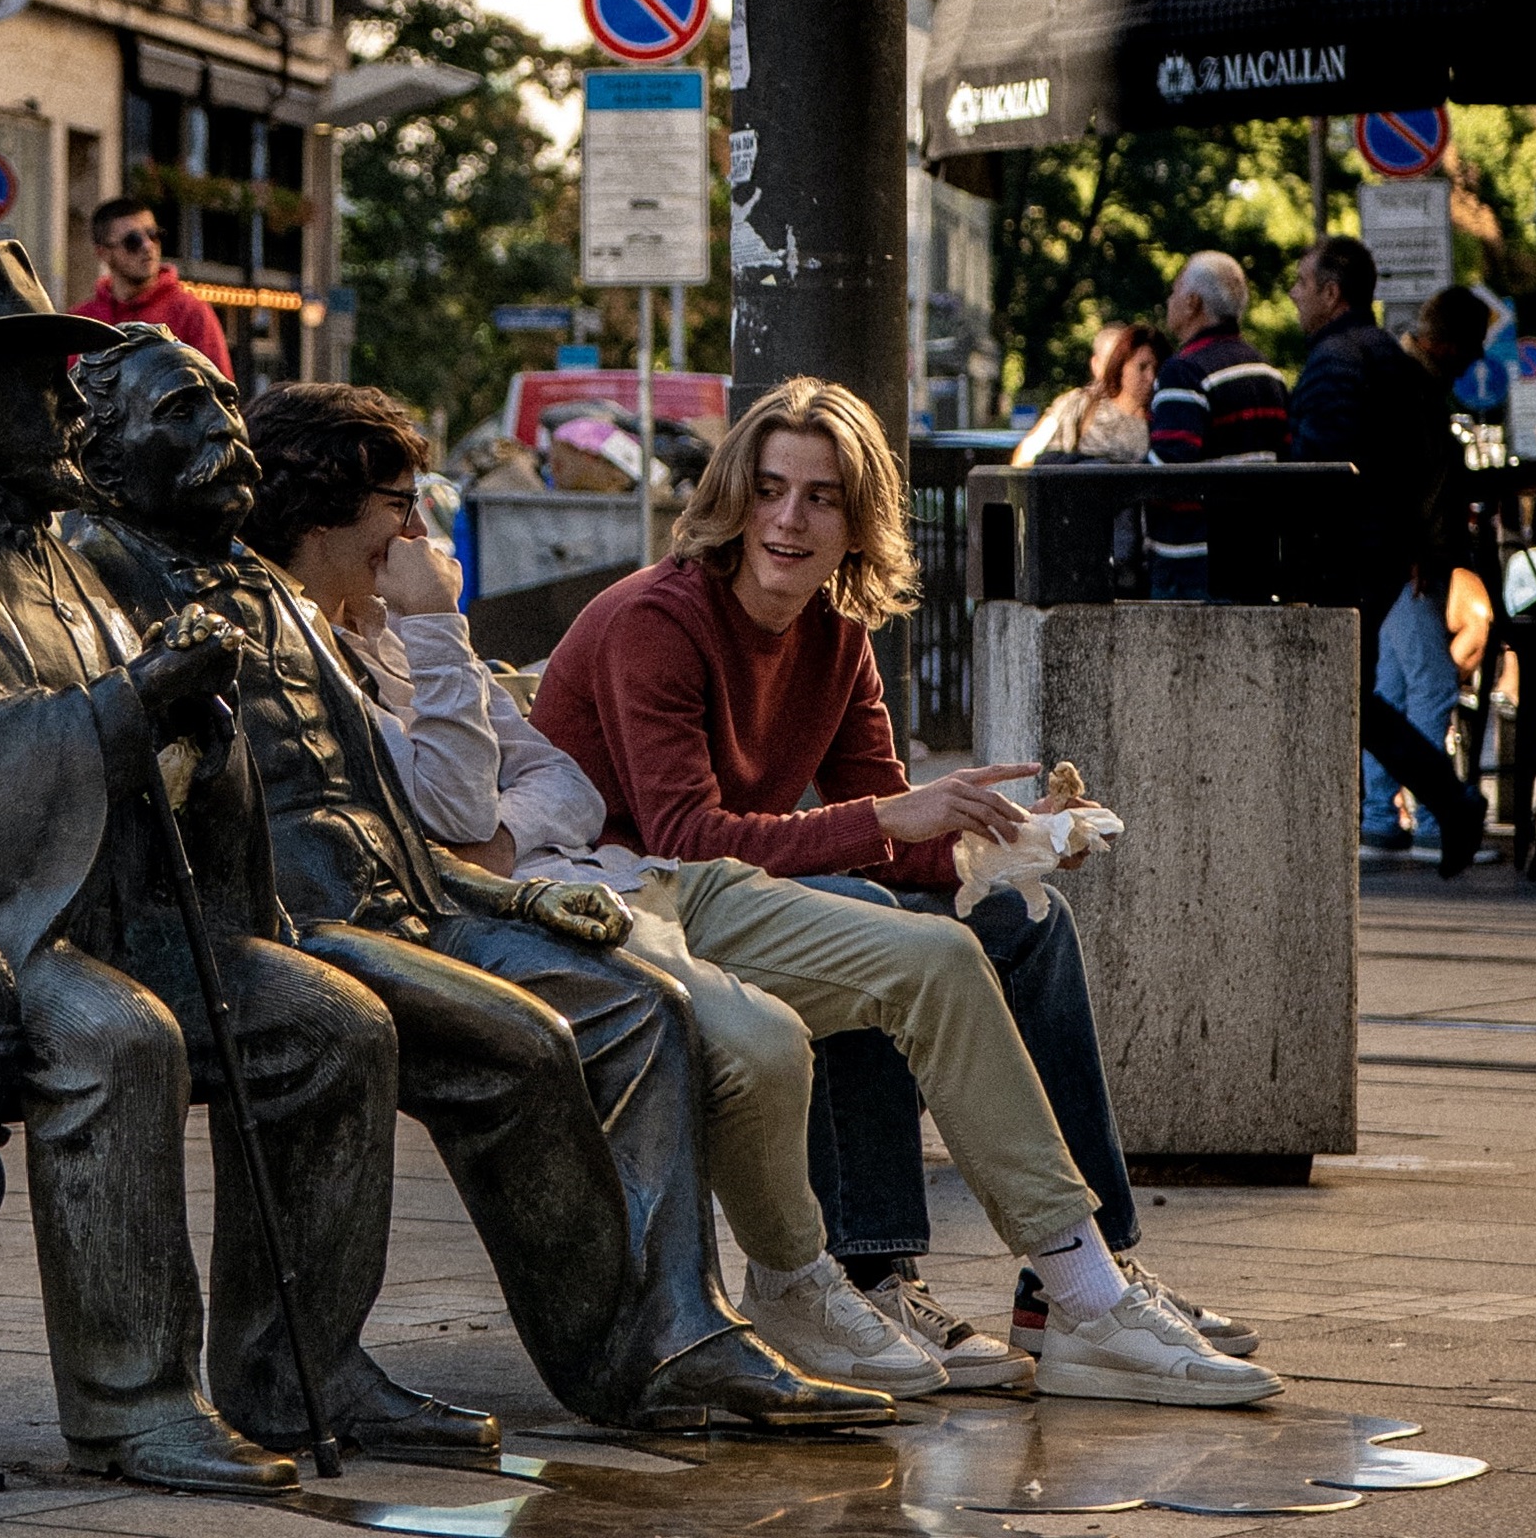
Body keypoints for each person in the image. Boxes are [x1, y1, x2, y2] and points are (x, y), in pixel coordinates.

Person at [78, 342, 893, 1428]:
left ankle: (668, 1338)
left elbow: (543, 784)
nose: (416, 532)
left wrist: (495, 849)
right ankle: (538, 1357)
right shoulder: (145, 583)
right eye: (403, 508)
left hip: (420, 897)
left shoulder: (295, 609)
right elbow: (437, 804)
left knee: (638, 1007)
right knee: (492, 1030)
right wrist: (439, 647)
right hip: (295, 921)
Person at [0, 242, 445, 1489]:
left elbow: (114, 706)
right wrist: (125, 711)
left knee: (332, 1023)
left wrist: (186, 709)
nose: (74, 403)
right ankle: (132, 1403)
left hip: (58, 914)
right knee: (119, 1040)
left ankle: (298, 1372)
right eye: (43, 379)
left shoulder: (42, 537)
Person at [532, 377, 1280, 1407]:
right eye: (771, 490)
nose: (790, 519)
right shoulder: (659, 620)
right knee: (876, 918)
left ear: (860, 520)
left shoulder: (836, 636)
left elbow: (884, 818)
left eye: (823, 498)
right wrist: (894, 823)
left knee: (1028, 922)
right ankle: (877, 1270)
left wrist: (1011, 847)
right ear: (733, 499)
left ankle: (1072, 1279)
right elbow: (686, 835)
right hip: (627, 901)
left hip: (730, 892)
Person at [1285, 237, 1487, 874]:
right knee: (1354, 695)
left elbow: (1320, 474)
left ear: (1331, 292)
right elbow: (1419, 465)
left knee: (1345, 693)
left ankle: (1438, 803)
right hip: (1381, 559)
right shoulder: (1387, 360)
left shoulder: (1335, 363)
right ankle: (1447, 801)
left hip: (1343, 559)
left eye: (1302, 282)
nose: (1293, 294)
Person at [1145, 251, 1288, 597]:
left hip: (1193, 563)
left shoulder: (1184, 372)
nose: (1170, 299)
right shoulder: (1267, 372)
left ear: (1193, 302)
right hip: (1256, 557)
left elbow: (1166, 470)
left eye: (1175, 290)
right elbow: (1285, 457)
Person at [72, 196, 233, 381]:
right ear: (103, 253)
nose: (148, 246)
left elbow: (221, 394)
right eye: (132, 241)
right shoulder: (82, 320)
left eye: (154, 235)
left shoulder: (191, 312)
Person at [1018, 323, 1167, 466]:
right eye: (1142, 367)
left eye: (1157, 368)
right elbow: (1027, 454)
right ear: (1120, 366)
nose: (1151, 377)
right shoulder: (1079, 405)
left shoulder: (1164, 419)